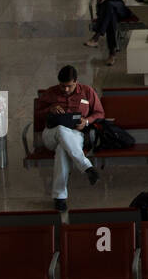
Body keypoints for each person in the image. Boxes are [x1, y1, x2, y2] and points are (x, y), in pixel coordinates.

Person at [34, 65, 102, 211]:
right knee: (60, 128)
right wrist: (49, 110)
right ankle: (86, 166)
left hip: (75, 135)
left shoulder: (87, 92)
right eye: (62, 86)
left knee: (61, 151)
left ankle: (60, 198)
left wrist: (87, 121)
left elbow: (99, 113)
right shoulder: (50, 93)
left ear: (76, 82)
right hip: (51, 134)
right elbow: (37, 114)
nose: (65, 90)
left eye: (69, 86)